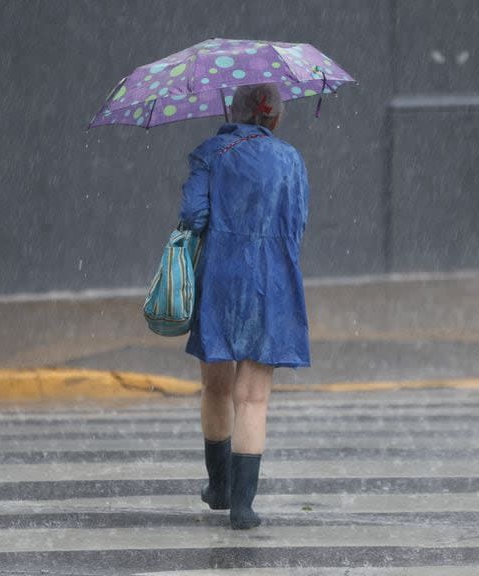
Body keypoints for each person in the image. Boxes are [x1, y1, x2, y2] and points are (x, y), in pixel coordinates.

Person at [178, 83, 310, 530]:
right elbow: (298, 223)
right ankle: (243, 507)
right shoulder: (291, 160)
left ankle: (219, 486)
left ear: (234, 111)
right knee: (253, 397)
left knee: (216, 387)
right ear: (274, 118)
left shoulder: (210, 152)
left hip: (220, 276)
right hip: (272, 280)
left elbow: (193, 216)